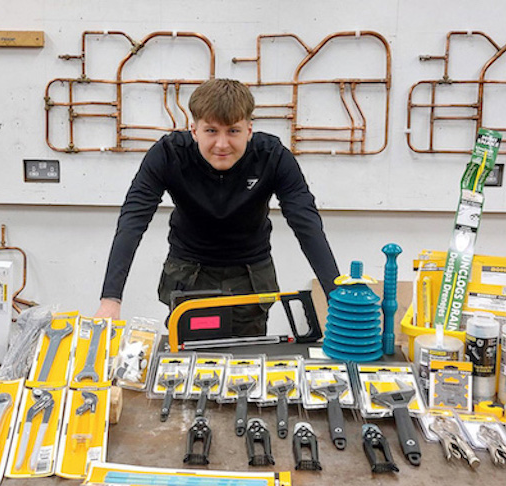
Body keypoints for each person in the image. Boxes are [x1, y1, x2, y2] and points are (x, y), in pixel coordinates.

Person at [96, 78, 339, 335]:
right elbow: (133, 220)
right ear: (194, 130)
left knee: (246, 362)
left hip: (251, 276)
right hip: (189, 274)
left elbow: (306, 222)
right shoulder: (168, 154)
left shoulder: (273, 156)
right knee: (188, 356)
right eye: (211, 131)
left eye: (233, 131)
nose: (222, 144)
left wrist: (335, 296)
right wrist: (110, 299)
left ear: (248, 130)